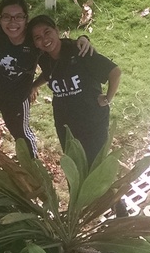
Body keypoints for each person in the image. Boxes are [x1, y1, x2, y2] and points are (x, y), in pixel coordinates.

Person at [0, 0, 92, 166]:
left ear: (26, 19)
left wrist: (83, 39)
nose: (12, 23)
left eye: (18, 17)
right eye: (6, 17)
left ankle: (33, 170)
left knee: (21, 134)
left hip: (16, 95)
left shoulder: (34, 38)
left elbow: (56, 51)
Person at [28, 15, 121, 166]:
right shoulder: (44, 58)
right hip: (65, 121)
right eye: (37, 37)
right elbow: (49, 74)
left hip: (91, 120)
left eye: (47, 32)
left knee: (94, 167)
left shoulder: (79, 50)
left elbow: (115, 72)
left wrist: (107, 99)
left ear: (56, 30)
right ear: (35, 43)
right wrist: (34, 85)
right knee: (73, 166)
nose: (44, 39)